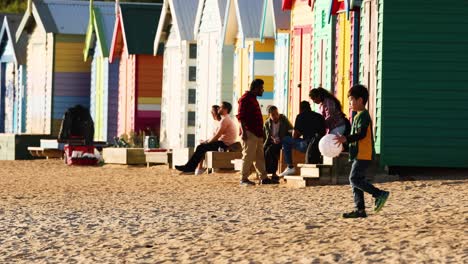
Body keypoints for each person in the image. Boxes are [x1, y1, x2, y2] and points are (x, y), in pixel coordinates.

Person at [336, 84, 389, 218]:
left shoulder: (364, 116)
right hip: (357, 154)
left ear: (360, 100)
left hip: (363, 154)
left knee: (354, 179)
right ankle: (360, 210)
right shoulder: (357, 116)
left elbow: (361, 135)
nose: (349, 102)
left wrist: (345, 138)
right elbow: (356, 138)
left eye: (351, 99)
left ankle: (379, 194)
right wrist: (345, 145)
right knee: (356, 181)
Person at [175, 102, 237, 175]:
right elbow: (216, 136)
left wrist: (207, 143)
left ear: (225, 109)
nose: (218, 108)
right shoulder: (225, 119)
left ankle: (190, 168)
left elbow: (217, 136)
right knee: (201, 147)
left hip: (224, 145)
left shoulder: (225, 120)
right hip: (222, 143)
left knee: (201, 147)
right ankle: (189, 168)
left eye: (220, 107)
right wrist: (206, 141)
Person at [237, 79, 277, 185]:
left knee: (260, 157)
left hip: (257, 133)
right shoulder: (245, 99)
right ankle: (243, 178)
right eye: (261, 88)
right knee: (248, 156)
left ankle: (263, 178)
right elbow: (241, 117)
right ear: (256, 88)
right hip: (249, 132)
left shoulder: (253, 99)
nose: (263, 90)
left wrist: (262, 133)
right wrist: (244, 132)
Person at [279, 101, 325, 176]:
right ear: (310, 107)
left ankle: (290, 167)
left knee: (285, 140)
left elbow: (295, 136)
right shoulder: (319, 116)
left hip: (307, 145)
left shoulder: (300, 116)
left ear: (300, 109)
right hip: (320, 145)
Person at [263, 105, 293, 182]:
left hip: (283, 142)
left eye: (277, 113)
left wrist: (281, 139)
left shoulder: (284, 120)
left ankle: (273, 173)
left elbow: (291, 130)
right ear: (269, 115)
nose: (276, 116)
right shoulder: (267, 124)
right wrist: (273, 139)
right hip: (272, 143)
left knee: (271, 150)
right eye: (273, 114)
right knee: (265, 151)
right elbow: (266, 136)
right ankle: (267, 174)